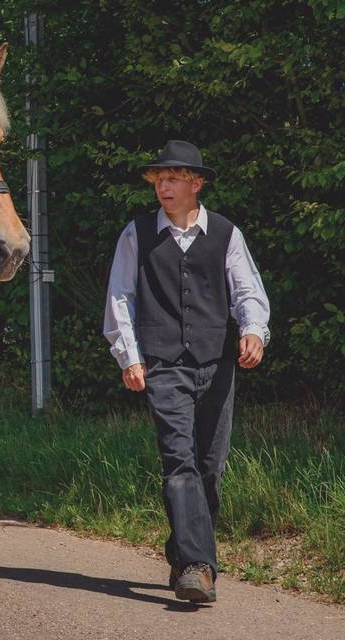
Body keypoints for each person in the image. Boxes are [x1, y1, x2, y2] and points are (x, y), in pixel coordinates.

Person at [103, 140, 270, 603]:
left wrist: (254, 330)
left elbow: (248, 291)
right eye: (158, 179)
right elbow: (120, 297)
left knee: (210, 468)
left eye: (172, 178)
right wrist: (130, 357)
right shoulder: (137, 234)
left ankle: (183, 554)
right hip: (162, 365)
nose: (163, 186)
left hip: (216, 366)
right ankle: (199, 566)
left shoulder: (225, 234)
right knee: (179, 461)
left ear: (197, 184)